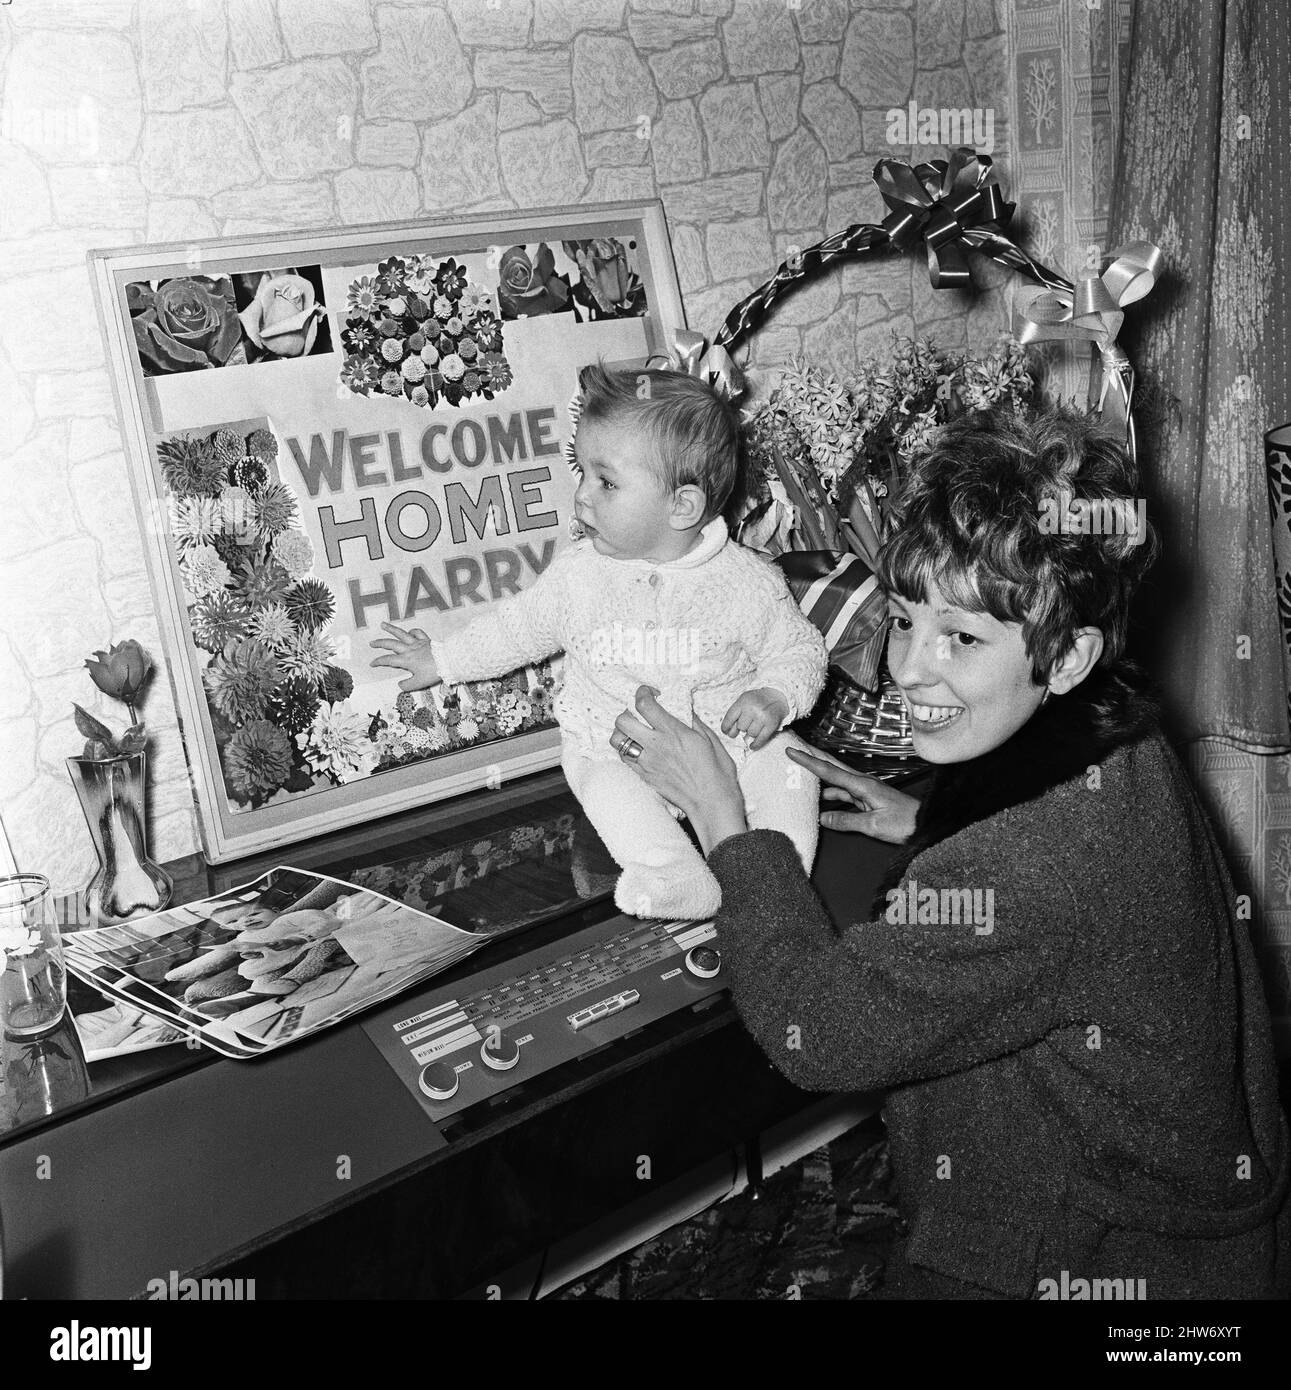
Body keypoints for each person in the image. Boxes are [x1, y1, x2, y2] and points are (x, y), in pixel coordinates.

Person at [609, 407, 1291, 1299]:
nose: (908, 669)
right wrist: (930, 820)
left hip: (1097, 1263)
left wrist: (723, 816)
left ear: (1071, 655)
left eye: (962, 639)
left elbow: (817, 1033)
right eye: (901, 620)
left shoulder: (1027, 868)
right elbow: (1059, 896)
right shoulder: (1118, 741)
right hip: (1187, 1231)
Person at [372, 363, 828, 922]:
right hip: (619, 745)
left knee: (793, 764)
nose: (581, 496)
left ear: (681, 507)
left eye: (605, 481)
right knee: (604, 787)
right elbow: (516, 629)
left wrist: (776, 695)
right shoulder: (579, 578)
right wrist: (441, 659)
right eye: (581, 472)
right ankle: (673, 875)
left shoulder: (748, 582)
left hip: (732, 743)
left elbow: (801, 650)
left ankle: (778, 884)